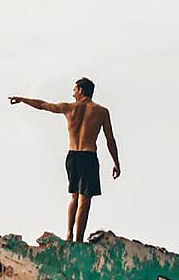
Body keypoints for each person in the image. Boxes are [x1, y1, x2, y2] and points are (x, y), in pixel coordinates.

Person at [9, 78, 120, 243]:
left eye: (74, 89)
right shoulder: (101, 111)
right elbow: (110, 139)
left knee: (74, 197)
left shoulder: (68, 108)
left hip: (72, 157)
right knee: (85, 199)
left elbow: (42, 105)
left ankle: (69, 234)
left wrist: (22, 99)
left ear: (81, 90)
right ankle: (79, 240)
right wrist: (116, 162)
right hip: (88, 156)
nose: (73, 93)